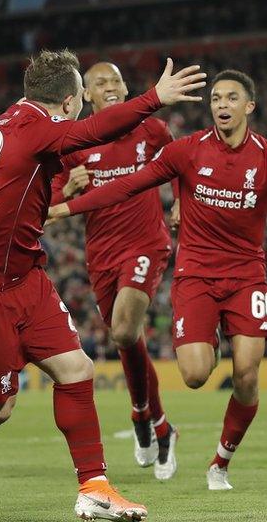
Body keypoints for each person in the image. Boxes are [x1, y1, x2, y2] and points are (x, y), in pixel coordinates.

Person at [48, 70, 267, 491]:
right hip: (195, 276)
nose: (221, 105)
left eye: (231, 98)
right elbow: (128, 186)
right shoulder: (187, 150)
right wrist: (64, 209)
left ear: (249, 106)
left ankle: (220, 461)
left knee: (248, 375)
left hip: (247, 278)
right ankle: (205, 340)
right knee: (196, 375)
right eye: (216, 98)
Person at [0, 50, 205, 522]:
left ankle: (93, 487)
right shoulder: (38, 128)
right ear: (72, 101)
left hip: (24, 277)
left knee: (76, 369)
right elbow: (94, 131)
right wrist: (155, 97)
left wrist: (64, 191)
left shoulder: (16, 120)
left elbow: (28, 189)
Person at [51, 61, 179, 477]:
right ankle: (150, 418)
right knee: (126, 339)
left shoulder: (151, 131)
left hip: (146, 243)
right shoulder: (73, 146)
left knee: (125, 329)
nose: (109, 86)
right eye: (99, 83)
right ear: (86, 95)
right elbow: (48, 203)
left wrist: (179, 200)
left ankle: (147, 416)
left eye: (115, 80)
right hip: (101, 253)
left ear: (126, 89)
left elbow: (181, 164)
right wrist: (66, 188)